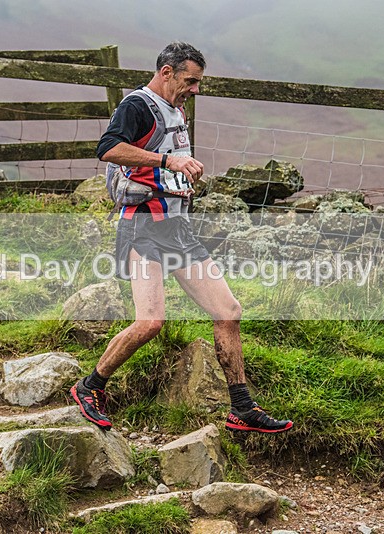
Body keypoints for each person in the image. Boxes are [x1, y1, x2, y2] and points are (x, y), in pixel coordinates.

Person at [70, 42, 293, 434]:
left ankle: (242, 409)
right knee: (150, 322)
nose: (195, 89)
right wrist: (168, 161)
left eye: (198, 82)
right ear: (167, 72)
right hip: (142, 226)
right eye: (190, 81)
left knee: (228, 311)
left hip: (177, 227)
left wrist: (179, 178)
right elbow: (108, 148)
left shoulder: (176, 108)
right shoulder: (136, 105)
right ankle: (90, 387)